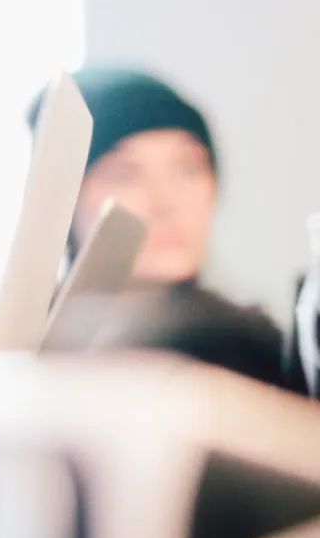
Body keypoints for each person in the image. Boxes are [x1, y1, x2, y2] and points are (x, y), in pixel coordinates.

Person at [34, 69, 293, 389]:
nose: (166, 201)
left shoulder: (264, 355)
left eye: (188, 167)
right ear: (64, 199)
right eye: (124, 173)